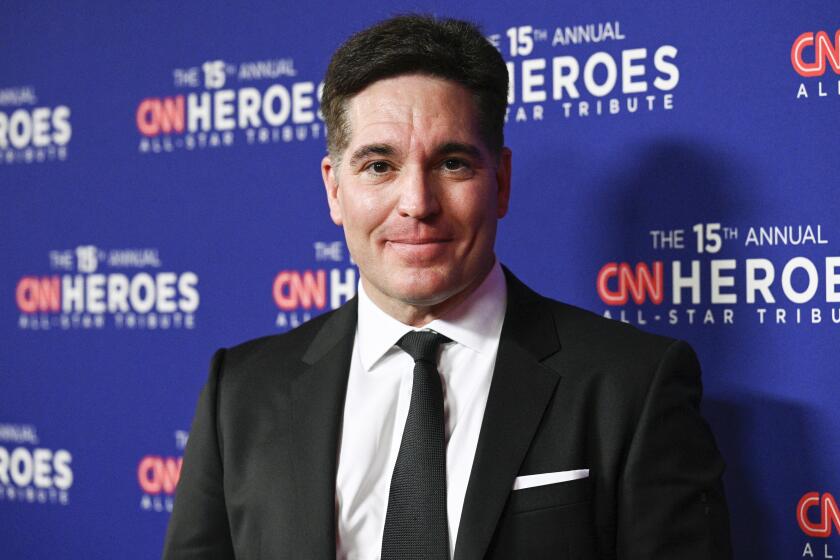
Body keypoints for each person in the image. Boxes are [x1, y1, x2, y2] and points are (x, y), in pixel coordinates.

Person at [163, 15, 731, 560]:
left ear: (501, 182)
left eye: (453, 163)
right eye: (379, 166)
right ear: (334, 190)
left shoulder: (631, 385)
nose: (417, 203)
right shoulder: (239, 394)